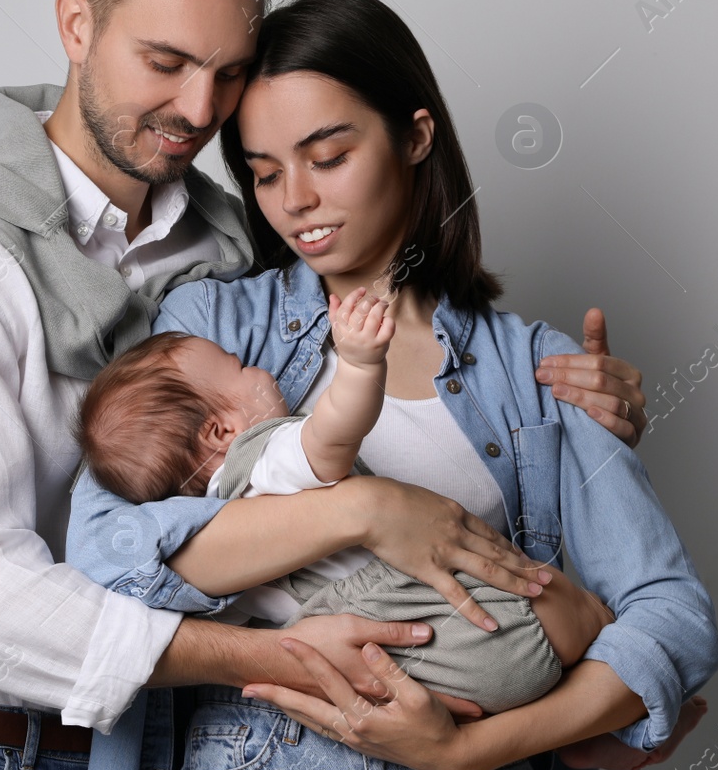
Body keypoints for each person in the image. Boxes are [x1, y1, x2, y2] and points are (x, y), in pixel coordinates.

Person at [0, 0, 654, 770]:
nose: (197, 110)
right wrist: (320, 578)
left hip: (141, 756)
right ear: (76, 24)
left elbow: (389, 383)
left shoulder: (230, 255)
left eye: (223, 73)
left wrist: (579, 416)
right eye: (165, 61)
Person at [67, 0, 718, 770]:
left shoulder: (534, 371)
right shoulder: (218, 330)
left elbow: (673, 618)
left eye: (327, 154)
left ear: (415, 136)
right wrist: (363, 510)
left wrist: (471, 750)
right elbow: (108, 554)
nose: (295, 201)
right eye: (263, 173)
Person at [74, 292, 609, 715]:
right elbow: (330, 437)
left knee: (553, 652)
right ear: (222, 430)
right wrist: (358, 365)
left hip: (412, 658)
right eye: (239, 366)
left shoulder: (218, 530)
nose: (258, 368)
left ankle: (584, 714)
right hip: (450, 618)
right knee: (579, 612)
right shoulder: (259, 460)